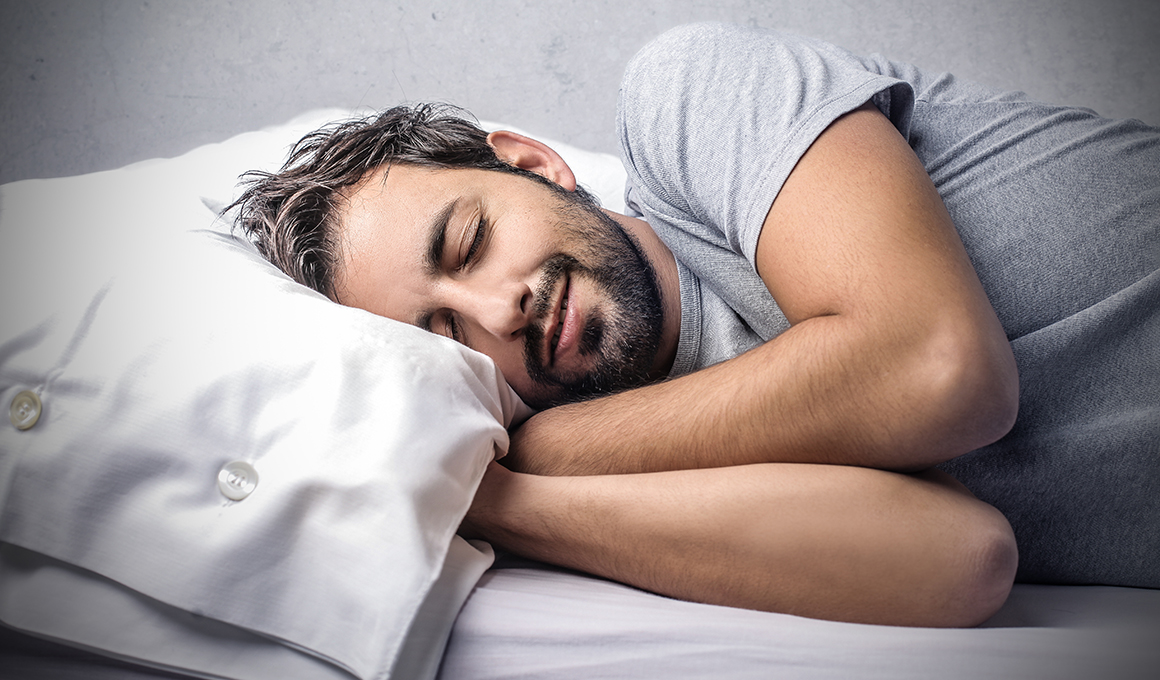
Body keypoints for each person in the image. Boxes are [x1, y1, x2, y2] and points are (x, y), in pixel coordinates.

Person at [231, 23, 1159, 627]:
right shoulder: (653, 460)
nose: (494, 311)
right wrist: (497, 501)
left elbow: (940, 371)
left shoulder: (691, 97)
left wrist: (544, 453)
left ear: (534, 165)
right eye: (446, 337)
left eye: (470, 242)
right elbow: (961, 561)